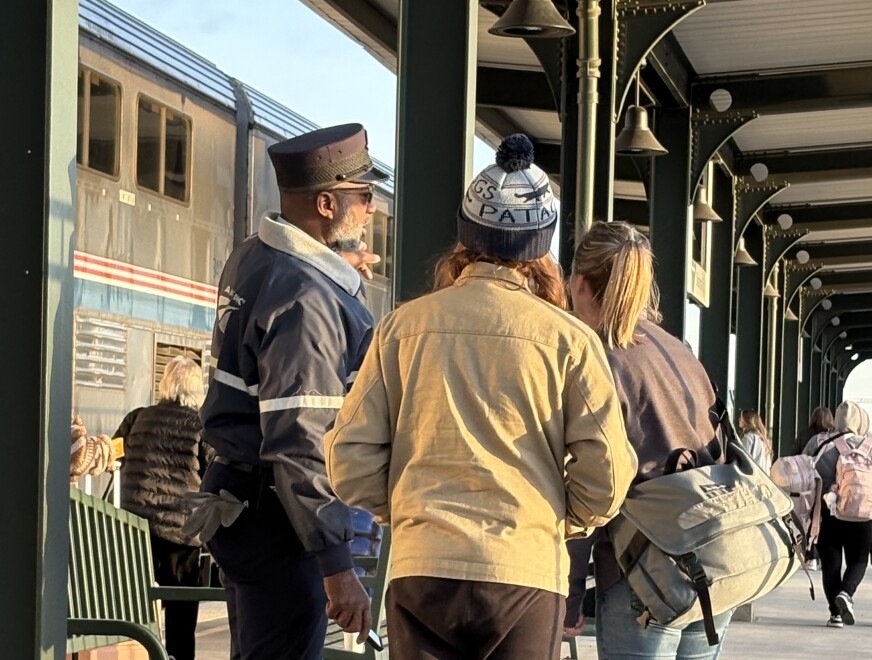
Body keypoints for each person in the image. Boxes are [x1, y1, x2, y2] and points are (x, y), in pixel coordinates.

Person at [324, 134, 638, 660]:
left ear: (465, 238)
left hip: (421, 568)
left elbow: (347, 459)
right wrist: (560, 518)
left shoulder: (402, 329)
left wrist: (407, 512)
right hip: (525, 572)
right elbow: (606, 475)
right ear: (542, 247)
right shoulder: (570, 340)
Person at [197, 123, 387, 660]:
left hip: (244, 506)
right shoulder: (306, 300)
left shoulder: (254, 256)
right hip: (283, 524)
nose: (372, 208)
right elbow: (302, 439)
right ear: (327, 203)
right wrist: (337, 567)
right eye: (364, 196)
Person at [567, 220, 734, 659]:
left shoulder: (600, 360)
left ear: (581, 283)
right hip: (713, 561)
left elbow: (592, 482)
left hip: (645, 572)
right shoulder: (679, 350)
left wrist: (568, 593)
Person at [114, 356, 212, 660]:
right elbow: (212, 472)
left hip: (135, 533)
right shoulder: (200, 425)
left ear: (165, 383)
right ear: (197, 389)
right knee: (182, 611)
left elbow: (113, 457)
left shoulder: (136, 417)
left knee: (138, 606)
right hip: (179, 535)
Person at [804, 400, 872, 628]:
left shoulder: (818, 442)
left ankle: (835, 614)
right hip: (863, 515)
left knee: (831, 565)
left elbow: (804, 470)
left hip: (828, 513)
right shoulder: (871, 446)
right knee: (858, 560)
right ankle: (846, 593)